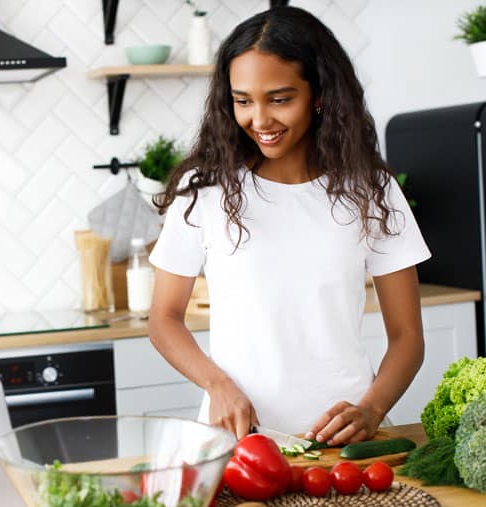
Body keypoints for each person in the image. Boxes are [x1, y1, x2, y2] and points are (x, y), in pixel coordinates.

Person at [148, 6, 430, 445]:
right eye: (242, 101)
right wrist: (217, 385)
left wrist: (372, 409)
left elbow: (408, 336)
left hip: (344, 442)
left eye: (280, 99)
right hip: (238, 441)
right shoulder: (204, 189)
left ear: (319, 94)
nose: (259, 121)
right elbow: (164, 319)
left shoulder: (372, 190)